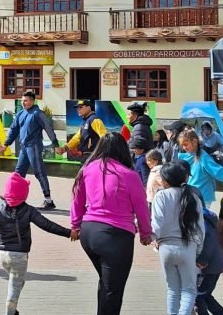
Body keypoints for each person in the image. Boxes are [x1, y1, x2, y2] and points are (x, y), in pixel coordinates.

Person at [69, 134, 153, 315]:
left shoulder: (88, 169)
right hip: (115, 236)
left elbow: (77, 199)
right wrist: (146, 234)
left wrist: (75, 225)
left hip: (89, 233)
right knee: (113, 290)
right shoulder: (129, 175)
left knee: (107, 283)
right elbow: (141, 207)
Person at [0, 173, 70, 315]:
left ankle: (13, 310)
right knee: (15, 288)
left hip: (3, 254)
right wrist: (68, 233)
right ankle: (10, 311)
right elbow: (47, 225)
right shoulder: (28, 210)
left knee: (17, 281)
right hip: (19, 255)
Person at [152, 161, 205, 315]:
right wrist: (198, 250)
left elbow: (157, 222)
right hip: (189, 247)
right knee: (189, 289)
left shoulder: (161, 195)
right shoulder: (193, 197)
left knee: (172, 289)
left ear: (166, 180)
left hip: (166, 247)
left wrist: (152, 238)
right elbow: (200, 227)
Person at [6, 91, 64, 209]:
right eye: (22, 100)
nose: (23, 103)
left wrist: (56, 144)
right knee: (18, 173)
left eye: (26, 100)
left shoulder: (38, 113)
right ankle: (14, 196)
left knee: (39, 172)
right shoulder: (21, 114)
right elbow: (13, 130)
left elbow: (48, 128)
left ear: (32, 101)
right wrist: (6, 144)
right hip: (24, 147)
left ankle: (48, 200)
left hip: (34, 146)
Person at [178, 127, 223, 206]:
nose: (184, 148)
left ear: (195, 141)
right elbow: (219, 173)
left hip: (195, 196)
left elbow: (219, 172)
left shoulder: (199, 157)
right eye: (182, 145)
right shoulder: (202, 157)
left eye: (185, 145)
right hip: (200, 195)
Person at [196, 207, 223, 315]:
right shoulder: (206, 219)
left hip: (209, 265)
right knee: (205, 294)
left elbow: (208, 242)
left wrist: (202, 260)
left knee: (199, 295)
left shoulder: (202, 221)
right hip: (214, 264)